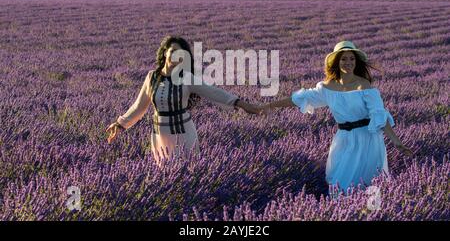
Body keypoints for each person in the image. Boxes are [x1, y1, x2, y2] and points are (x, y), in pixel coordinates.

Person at [261, 40, 413, 193]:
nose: (349, 62)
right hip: (343, 139)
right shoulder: (327, 88)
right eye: (344, 59)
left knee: (365, 183)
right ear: (336, 62)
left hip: (367, 139)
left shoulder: (364, 86)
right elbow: (300, 99)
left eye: (352, 58)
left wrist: (397, 143)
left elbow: (380, 116)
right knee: (339, 181)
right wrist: (269, 105)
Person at [106, 36, 259, 164]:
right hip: (160, 135)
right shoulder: (151, 77)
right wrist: (120, 124)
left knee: (187, 171)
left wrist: (242, 104)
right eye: (172, 51)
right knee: (163, 173)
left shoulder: (187, 78)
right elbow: (139, 107)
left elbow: (214, 92)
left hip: (184, 134)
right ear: (165, 53)